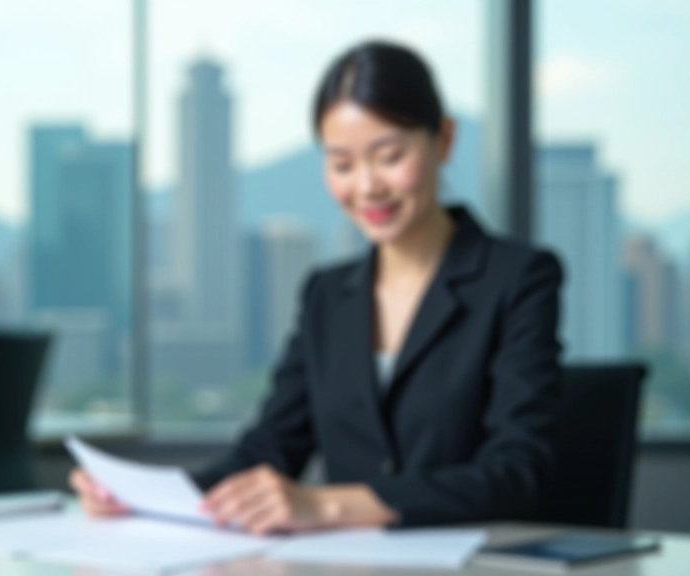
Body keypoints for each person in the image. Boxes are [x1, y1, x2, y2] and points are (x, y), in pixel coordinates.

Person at [70, 40, 563, 535]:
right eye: (342, 164)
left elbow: (518, 472)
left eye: (389, 156)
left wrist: (328, 506)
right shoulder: (327, 295)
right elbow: (269, 451)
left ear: (445, 140)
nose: (367, 187)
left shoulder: (518, 278)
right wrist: (143, 496)